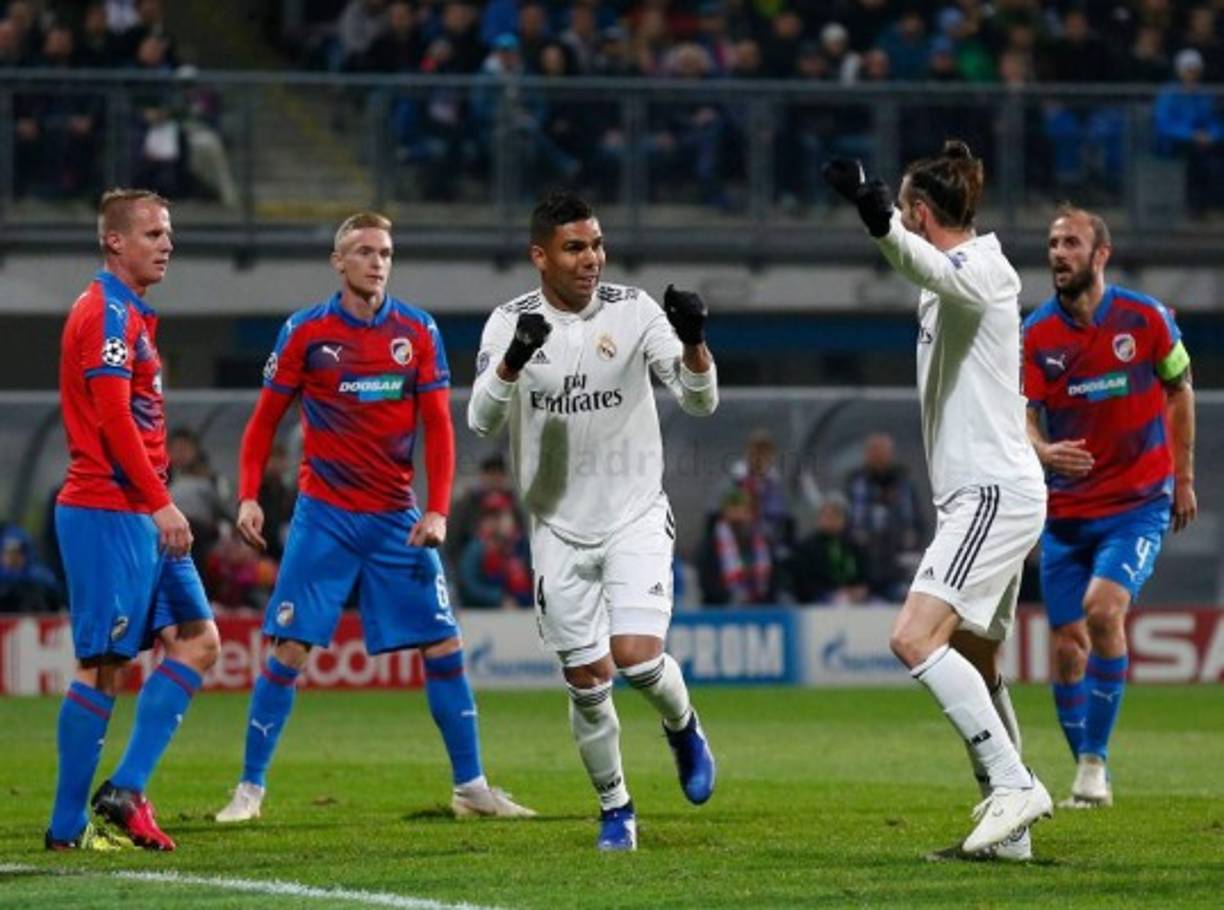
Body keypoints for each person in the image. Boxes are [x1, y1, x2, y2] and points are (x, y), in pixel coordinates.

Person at [214, 212, 533, 824]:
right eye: (363, 251)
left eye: (384, 251)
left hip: (396, 519)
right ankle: (249, 791)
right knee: (289, 649)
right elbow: (263, 423)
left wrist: (438, 509)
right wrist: (249, 495)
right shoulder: (305, 332)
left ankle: (471, 788)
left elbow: (438, 428)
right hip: (324, 517)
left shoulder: (418, 329)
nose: (377, 261)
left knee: (443, 643)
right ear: (339, 262)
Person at [467, 190, 718, 851]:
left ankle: (683, 725)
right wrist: (515, 359)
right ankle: (617, 810)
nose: (592, 258)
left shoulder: (635, 311)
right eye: (575, 248)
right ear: (540, 257)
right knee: (586, 682)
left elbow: (699, 402)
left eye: (597, 244)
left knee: (636, 660)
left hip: (633, 513)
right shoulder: (507, 322)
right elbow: (479, 419)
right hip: (555, 526)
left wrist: (694, 343)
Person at [823, 141, 1052, 861]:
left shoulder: (981, 266)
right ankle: (1011, 838)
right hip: (988, 491)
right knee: (976, 664)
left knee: (913, 639)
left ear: (919, 211)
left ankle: (1014, 785)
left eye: (906, 211)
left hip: (991, 492)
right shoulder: (958, 277)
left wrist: (874, 217)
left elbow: (921, 261)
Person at [48, 188, 220, 852]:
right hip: (108, 509)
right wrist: (159, 503)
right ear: (115, 242)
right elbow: (114, 419)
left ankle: (125, 788)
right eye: (152, 233)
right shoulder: (105, 313)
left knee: (201, 642)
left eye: (167, 232)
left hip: (139, 511)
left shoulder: (130, 314)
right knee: (103, 665)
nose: (166, 243)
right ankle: (65, 829)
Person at [1022, 206, 1196, 807]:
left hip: (1138, 502)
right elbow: (1020, 415)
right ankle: (1090, 776)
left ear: (1101, 255)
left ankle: (1093, 764)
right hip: (1067, 512)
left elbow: (1180, 387)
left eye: (1071, 243)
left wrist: (1183, 474)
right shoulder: (1036, 334)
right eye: (1052, 243)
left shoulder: (1146, 318)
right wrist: (1044, 450)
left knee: (1103, 611)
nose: (1057, 254)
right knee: (1068, 646)